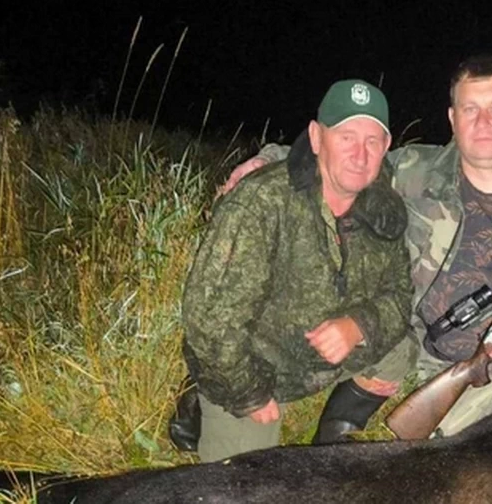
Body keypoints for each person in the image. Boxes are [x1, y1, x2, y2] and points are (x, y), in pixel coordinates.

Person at [211, 54, 492, 438]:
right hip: (410, 350)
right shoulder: (414, 170)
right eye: (470, 109)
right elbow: (344, 161)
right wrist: (268, 160)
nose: (483, 122)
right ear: (452, 117)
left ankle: (472, 426)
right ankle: (212, 399)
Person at [177, 78, 414, 462]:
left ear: (386, 146)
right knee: (242, 480)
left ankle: (331, 441)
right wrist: (247, 393)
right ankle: (202, 399)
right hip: (256, 365)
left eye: (372, 141)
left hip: (319, 355)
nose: (360, 154)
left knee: (401, 350)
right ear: (316, 138)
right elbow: (209, 320)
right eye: (346, 137)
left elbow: (400, 297)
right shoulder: (262, 202)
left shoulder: (383, 206)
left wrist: (358, 325)